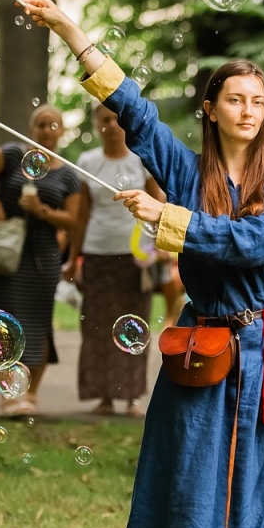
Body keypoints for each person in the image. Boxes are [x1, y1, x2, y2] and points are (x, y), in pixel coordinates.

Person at [23, 0, 264, 528]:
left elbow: (258, 243)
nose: (248, 109)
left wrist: (171, 220)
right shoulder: (188, 170)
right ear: (212, 108)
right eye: (234, 98)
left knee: (253, 489)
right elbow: (133, 109)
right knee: (183, 484)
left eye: (258, 99)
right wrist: (73, 30)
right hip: (203, 352)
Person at [0, 106, 84, 416]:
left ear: (61, 132)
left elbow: (72, 220)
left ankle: (30, 395)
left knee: (39, 325)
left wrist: (42, 210)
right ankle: (7, 395)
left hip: (43, 258)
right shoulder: (12, 155)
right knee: (0, 324)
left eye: (53, 125)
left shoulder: (68, 174)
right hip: (6, 253)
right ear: (32, 129)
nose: (46, 130)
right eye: (41, 125)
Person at [69, 102, 164, 417]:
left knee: (135, 327)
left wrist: (164, 246)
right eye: (104, 119)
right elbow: (82, 216)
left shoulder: (141, 160)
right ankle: (104, 397)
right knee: (97, 327)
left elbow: (160, 205)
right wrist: (73, 258)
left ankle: (134, 397)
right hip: (97, 254)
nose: (111, 125)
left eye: (116, 119)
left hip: (136, 257)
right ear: (97, 124)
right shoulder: (87, 161)